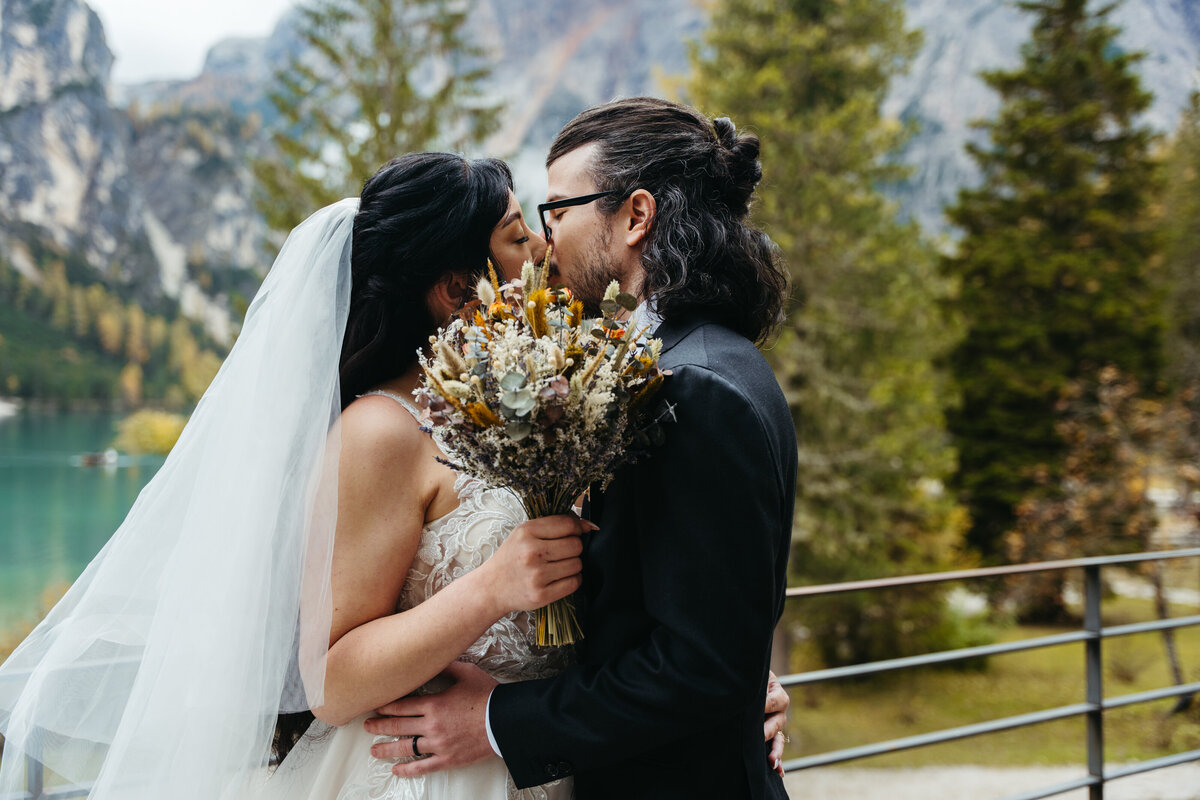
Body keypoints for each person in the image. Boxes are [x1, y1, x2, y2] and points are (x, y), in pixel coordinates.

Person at [0, 150, 786, 800]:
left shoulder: (534, 406)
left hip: (548, 762)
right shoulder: (379, 432)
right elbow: (334, 681)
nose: (543, 251)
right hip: (441, 776)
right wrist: (491, 587)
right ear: (455, 290)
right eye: (517, 238)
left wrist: (730, 682)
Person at [364, 98, 796, 800]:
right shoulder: (682, 364)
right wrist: (744, 673)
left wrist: (499, 720)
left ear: (635, 216)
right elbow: (685, 607)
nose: (545, 244)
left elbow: (701, 667)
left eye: (558, 212)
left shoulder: (696, 386)